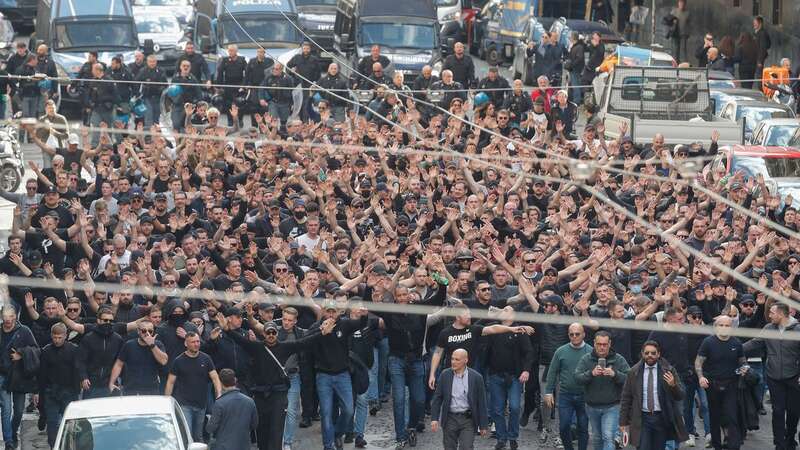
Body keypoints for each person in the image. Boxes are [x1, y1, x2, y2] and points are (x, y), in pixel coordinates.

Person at [743, 303, 800, 450]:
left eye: (772, 313)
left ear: (781, 314)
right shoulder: (768, 328)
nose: (769, 315)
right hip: (774, 377)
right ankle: (779, 444)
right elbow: (754, 344)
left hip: (794, 377)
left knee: (794, 412)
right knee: (778, 410)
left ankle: (790, 437)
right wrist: (734, 349)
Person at [620, 340, 688, 450]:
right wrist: (623, 422)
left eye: (653, 353)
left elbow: (680, 396)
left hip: (661, 418)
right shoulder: (634, 372)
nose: (650, 356)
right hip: (642, 418)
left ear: (658, 354)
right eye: (647, 353)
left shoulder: (668, 370)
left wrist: (673, 385)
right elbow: (626, 397)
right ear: (642, 354)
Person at [485, 307, 534, 450]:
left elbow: (529, 352)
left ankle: (512, 436)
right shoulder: (494, 328)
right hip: (495, 375)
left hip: (514, 377)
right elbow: (478, 326)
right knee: (497, 410)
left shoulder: (519, 331)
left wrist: (526, 370)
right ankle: (501, 438)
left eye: (507, 309)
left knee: (514, 407)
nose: (503, 311)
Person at [695, 315, 746, 450]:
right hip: (712, 384)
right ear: (715, 327)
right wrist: (700, 377)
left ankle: (733, 445)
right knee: (715, 417)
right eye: (721, 325)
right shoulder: (708, 342)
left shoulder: (736, 343)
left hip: (731, 384)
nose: (724, 328)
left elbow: (743, 361)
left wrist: (744, 369)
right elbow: (699, 361)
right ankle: (717, 445)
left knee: (731, 415)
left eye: (727, 325)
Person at [575, 331, 630, 450]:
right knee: (597, 438)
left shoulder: (618, 359)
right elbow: (577, 378)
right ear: (594, 343)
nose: (602, 347)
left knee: (608, 436)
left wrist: (615, 374)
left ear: (610, 344)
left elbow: (630, 379)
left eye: (605, 344)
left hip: (612, 406)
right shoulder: (586, 359)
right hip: (592, 406)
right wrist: (591, 373)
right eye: (599, 344)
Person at [165, 331, 222, 442]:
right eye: (193, 342)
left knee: (198, 436)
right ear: (186, 344)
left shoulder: (206, 359)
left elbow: (215, 378)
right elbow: (170, 382)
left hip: (201, 404)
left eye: (197, 341)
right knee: (188, 435)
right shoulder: (178, 361)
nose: (196, 344)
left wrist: (219, 394)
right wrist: (167, 400)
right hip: (184, 404)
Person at [544, 323, 592, 450]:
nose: (574, 336)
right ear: (568, 335)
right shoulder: (561, 351)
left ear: (583, 335)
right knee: (564, 426)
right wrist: (548, 392)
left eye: (577, 334)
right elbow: (552, 372)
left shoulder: (591, 352)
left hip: (584, 395)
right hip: (565, 395)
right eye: (571, 334)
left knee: (583, 426)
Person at [430, 349, 489, 450]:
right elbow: (437, 398)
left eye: (457, 359)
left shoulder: (476, 377)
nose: (453, 362)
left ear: (465, 360)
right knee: (449, 447)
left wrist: (483, 425)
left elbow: (482, 402)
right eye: (452, 359)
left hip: (468, 419)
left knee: (466, 447)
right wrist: (434, 418)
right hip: (450, 418)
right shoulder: (445, 375)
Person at [0, 305, 37, 450]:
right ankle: (8, 441)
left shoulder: (24, 331)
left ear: (16, 316)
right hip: (2, 375)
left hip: (19, 376)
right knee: (6, 409)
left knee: (19, 410)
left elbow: (36, 349)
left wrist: (21, 354)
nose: (8, 319)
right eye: (5, 316)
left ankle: (13, 430)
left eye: (11, 316)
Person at [38, 323, 81, 447]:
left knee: (70, 422)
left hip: (68, 391)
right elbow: (42, 374)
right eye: (55, 337)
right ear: (51, 336)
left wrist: (76, 391)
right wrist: (39, 393)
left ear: (65, 336)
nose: (57, 340)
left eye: (60, 337)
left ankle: (69, 446)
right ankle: (54, 446)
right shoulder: (46, 351)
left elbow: (76, 370)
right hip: (51, 391)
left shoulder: (73, 350)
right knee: (52, 423)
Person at [108, 319, 169, 395]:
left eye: (150, 331)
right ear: (138, 331)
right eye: (144, 331)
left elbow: (163, 361)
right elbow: (118, 364)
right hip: (130, 389)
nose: (147, 333)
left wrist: (152, 345)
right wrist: (111, 383)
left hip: (151, 390)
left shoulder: (158, 344)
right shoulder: (129, 345)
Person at [77, 307, 124, 399]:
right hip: (91, 384)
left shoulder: (118, 339)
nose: (108, 323)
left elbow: (121, 362)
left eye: (111, 321)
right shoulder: (88, 338)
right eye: (105, 320)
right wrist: (83, 377)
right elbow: (80, 360)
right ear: (98, 320)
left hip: (110, 383)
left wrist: (121, 382)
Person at [206, 368, 259, 450]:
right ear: (235, 380)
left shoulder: (219, 403)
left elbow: (211, 428)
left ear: (221, 383)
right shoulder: (250, 401)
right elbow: (254, 424)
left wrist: (209, 421)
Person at [753, 15, 771, 88]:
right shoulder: (757, 32)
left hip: (759, 58)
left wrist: (760, 60)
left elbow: (763, 47)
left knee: (759, 75)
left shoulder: (762, 33)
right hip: (756, 57)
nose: (754, 24)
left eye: (755, 23)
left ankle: (761, 89)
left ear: (760, 23)